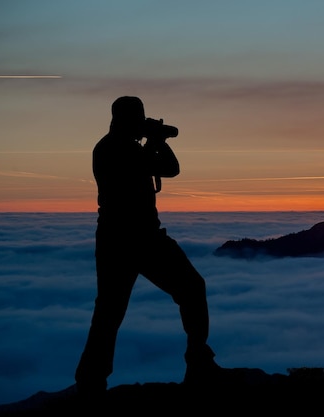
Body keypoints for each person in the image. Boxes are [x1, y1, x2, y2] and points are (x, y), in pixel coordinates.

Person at [75, 96, 220, 395]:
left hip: (121, 239)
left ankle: (91, 382)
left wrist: (154, 140)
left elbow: (166, 168)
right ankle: (198, 362)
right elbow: (169, 168)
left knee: (109, 312)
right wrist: (156, 140)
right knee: (189, 289)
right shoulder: (118, 148)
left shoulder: (115, 146)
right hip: (136, 238)